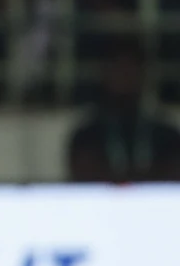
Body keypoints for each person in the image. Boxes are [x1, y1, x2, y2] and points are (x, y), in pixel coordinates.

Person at [67, 36, 180, 183]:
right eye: (119, 68)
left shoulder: (166, 134)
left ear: (143, 74)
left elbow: (174, 175)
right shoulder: (86, 135)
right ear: (106, 73)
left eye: (131, 68)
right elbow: (84, 175)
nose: (125, 76)